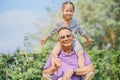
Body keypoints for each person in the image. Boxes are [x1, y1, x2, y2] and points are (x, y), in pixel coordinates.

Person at [41, 1, 93, 78]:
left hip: (74, 41)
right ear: (62, 11)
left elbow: (82, 32)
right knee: (53, 54)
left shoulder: (75, 22)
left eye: (71, 11)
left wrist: (88, 39)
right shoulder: (59, 23)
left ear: (73, 12)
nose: (69, 13)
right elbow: (52, 32)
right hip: (60, 42)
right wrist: (45, 39)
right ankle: (52, 75)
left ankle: (83, 75)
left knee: (81, 54)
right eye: (67, 11)